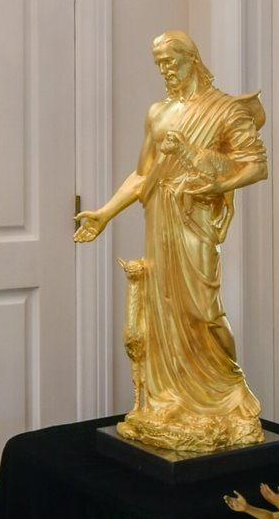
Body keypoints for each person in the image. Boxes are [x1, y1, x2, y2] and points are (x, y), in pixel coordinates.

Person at [75, 31, 267, 453]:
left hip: (195, 220)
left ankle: (232, 392)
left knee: (204, 310)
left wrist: (207, 178)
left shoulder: (224, 110)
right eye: (157, 62)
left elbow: (255, 166)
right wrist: (104, 214)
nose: (164, 70)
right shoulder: (158, 113)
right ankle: (172, 400)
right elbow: (143, 174)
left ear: (192, 59)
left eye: (170, 61)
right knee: (163, 310)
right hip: (159, 218)